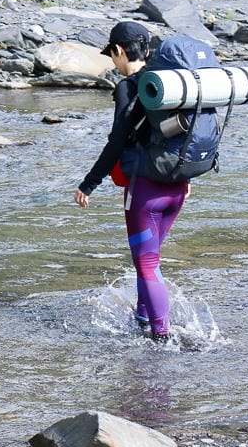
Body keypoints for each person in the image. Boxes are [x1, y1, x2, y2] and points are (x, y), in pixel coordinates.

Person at [74, 21, 189, 343]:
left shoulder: (129, 87)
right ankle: (142, 317)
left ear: (119, 51)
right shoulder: (167, 82)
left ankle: (162, 339)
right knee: (148, 259)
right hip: (177, 186)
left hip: (146, 191)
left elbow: (117, 141)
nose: (113, 62)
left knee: (148, 263)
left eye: (112, 55)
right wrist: (185, 175)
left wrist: (89, 183)